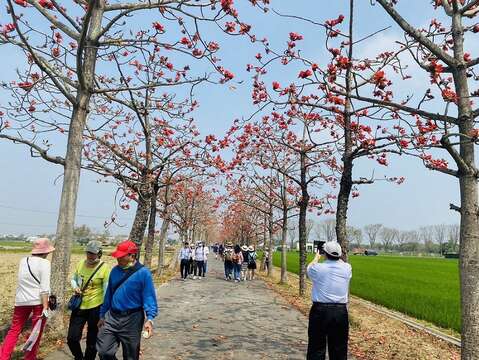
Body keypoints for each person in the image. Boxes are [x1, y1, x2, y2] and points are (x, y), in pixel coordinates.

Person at [96, 240, 158, 360]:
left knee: (131, 356)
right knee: (104, 352)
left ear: (132, 256)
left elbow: (149, 297)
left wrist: (150, 319)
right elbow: (109, 295)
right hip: (112, 317)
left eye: (121, 256)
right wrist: (102, 314)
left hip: (132, 319)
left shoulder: (143, 273)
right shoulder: (114, 271)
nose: (117, 259)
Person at [0, 238, 55, 360]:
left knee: (14, 330)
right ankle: (30, 357)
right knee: (36, 332)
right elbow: (44, 288)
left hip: (21, 300)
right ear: (46, 252)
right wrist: (46, 307)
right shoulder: (45, 264)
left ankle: (3, 356)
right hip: (38, 302)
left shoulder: (23, 261)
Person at [306, 241, 352, 360]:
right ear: (340, 254)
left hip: (320, 310)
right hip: (340, 312)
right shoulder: (347, 268)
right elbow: (341, 262)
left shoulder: (317, 268)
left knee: (316, 347)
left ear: (324, 253)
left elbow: (309, 269)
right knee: (339, 349)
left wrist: (316, 257)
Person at [68, 241, 111, 360]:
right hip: (79, 305)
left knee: (92, 339)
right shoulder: (81, 263)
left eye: (93, 253)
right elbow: (73, 279)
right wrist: (75, 287)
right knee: (72, 338)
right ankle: (78, 356)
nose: (90, 256)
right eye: (88, 253)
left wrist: (104, 310)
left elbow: (106, 289)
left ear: (99, 254)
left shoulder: (104, 268)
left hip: (96, 306)